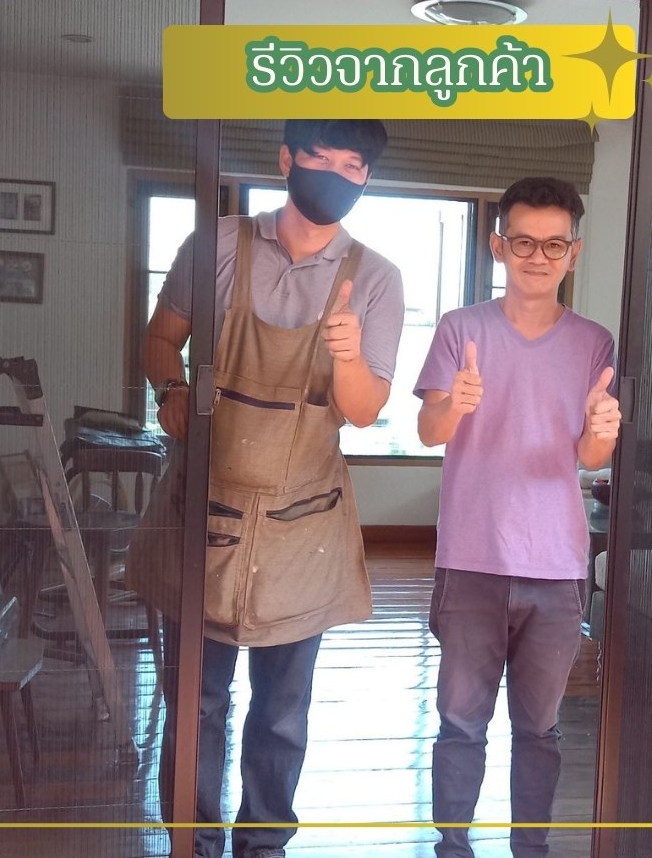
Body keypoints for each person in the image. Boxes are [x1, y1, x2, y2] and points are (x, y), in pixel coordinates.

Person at [129, 119, 403, 858]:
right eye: (320, 157)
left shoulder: (376, 278)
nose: (336, 175)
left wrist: (349, 355)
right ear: (286, 159)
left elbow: (365, 410)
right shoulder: (215, 244)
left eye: (354, 166)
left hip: (301, 528)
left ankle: (263, 845)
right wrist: (169, 389)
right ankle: (192, 841)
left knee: (282, 712)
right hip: (204, 516)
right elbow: (160, 337)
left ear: (367, 179)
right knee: (197, 702)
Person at [414, 177, 621, 858]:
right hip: (471, 560)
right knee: (460, 723)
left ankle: (530, 847)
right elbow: (429, 432)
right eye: (524, 242)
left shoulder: (594, 343)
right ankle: (452, 847)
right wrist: (454, 404)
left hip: (556, 567)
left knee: (539, 729)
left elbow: (588, 456)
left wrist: (602, 432)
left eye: (554, 244)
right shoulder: (461, 329)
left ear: (573, 252)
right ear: (498, 245)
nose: (538, 256)